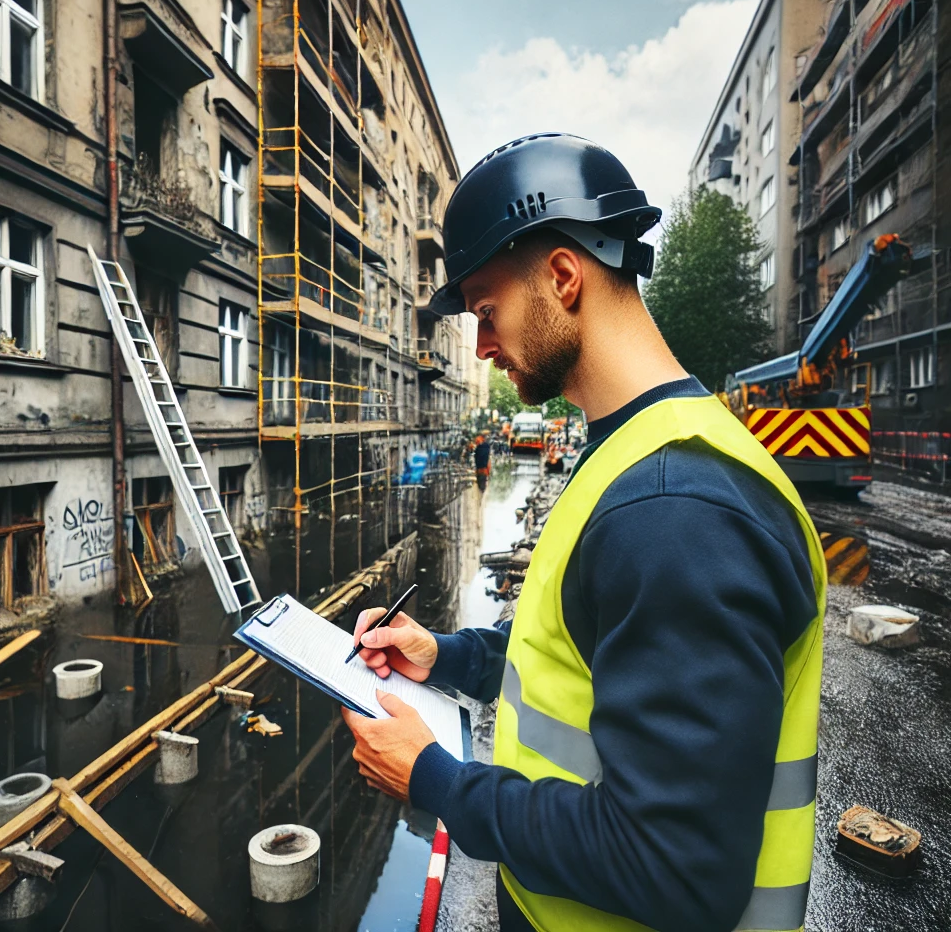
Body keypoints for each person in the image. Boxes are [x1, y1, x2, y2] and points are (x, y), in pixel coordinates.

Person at [342, 134, 826, 932]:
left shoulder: (675, 511)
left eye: (486, 311)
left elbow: (675, 868)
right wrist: (451, 655)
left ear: (564, 277)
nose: (482, 346)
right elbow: (592, 644)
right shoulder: (634, 450)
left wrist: (436, 781)